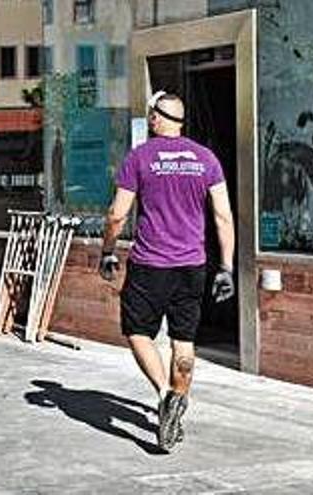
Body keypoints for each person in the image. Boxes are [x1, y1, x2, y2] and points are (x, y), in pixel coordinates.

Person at [98, 91, 235, 452]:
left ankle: (164, 394)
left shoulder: (140, 157)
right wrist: (227, 267)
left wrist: (108, 251)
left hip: (150, 265)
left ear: (157, 118)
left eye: (151, 116)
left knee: (137, 331)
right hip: (193, 266)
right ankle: (178, 399)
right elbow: (223, 215)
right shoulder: (206, 159)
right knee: (184, 342)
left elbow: (116, 214)